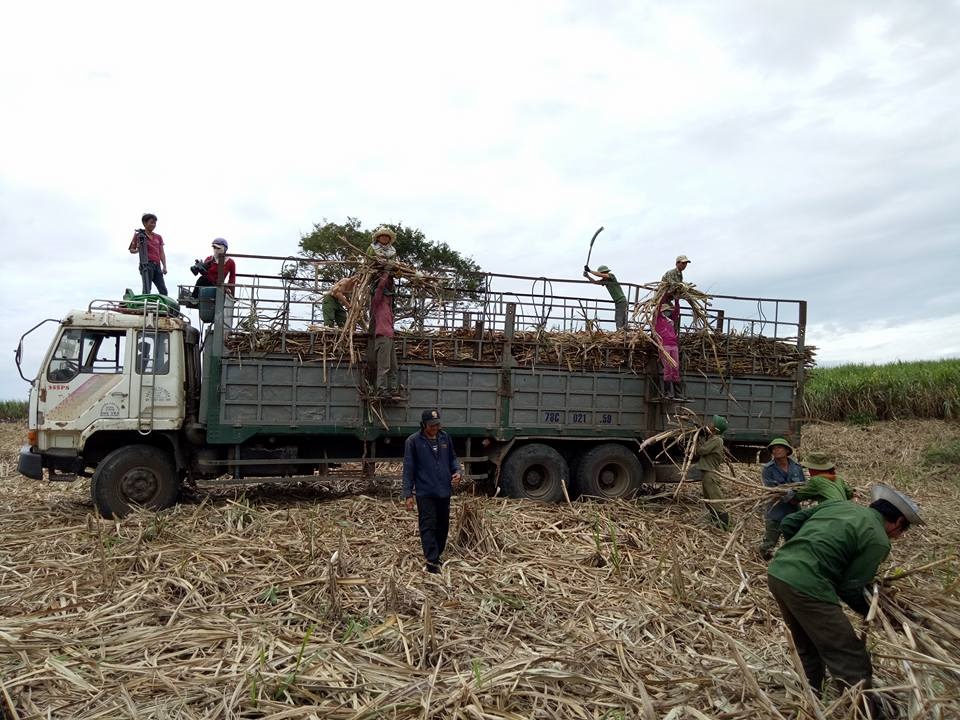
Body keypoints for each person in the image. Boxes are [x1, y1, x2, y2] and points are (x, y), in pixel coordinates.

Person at [767, 485, 922, 714]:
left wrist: (799, 550)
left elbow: (789, 523)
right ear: (898, 521)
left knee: (807, 644)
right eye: (902, 531)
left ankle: (811, 699)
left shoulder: (838, 505)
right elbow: (850, 588)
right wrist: (877, 613)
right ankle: (861, 712)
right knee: (848, 654)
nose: (899, 537)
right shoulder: (878, 539)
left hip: (779, 573)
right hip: (808, 585)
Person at [403, 409, 462, 573]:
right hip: (425, 492)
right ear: (423, 425)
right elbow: (408, 469)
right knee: (428, 525)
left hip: (444, 490)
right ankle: (432, 561)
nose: (435, 428)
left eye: (437, 424)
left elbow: (453, 459)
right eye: (432, 425)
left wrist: (458, 471)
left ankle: (438, 554)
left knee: (443, 526)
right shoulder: (413, 442)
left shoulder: (445, 438)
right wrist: (408, 494)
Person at [759, 437, 806, 559]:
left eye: (779, 448)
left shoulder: (796, 467)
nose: (776, 451)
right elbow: (774, 490)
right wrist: (791, 496)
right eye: (773, 449)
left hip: (794, 511)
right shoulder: (768, 469)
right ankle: (764, 560)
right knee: (769, 543)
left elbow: (803, 485)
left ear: (786, 451)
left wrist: (798, 496)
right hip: (776, 511)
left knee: (795, 541)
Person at [694, 414, 730, 529]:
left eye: (712, 423)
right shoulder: (714, 439)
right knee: (709, 499)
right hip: (707, 473)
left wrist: (699, 439)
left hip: (711, 474)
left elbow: (701, 451)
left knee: (716, 499)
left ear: (716, 428)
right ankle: (715, 521)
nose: (710, 424)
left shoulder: (717, 440)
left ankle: (724, 525)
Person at [370, 269, 400, 399]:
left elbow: (389, 286)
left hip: (390, 337)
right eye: (388, 295)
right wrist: (386, 273)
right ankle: (381, 390)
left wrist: (391, 278)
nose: (389, 297)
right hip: (382, 337)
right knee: (384, 366)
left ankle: (393, 390)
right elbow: (381, 287)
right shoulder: (377, 303)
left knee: (394, 366)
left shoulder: (389, 308)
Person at [128, 213, 168, 296]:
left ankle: (164, 307)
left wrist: (164, 266)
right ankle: (144, 308)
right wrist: (138, 249)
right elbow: (132, 250)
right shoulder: (139, 235)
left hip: (157, 266)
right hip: (146, 265)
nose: (153, 225)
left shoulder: (158, 237)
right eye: (151, 222)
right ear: (144, 223)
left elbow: (161, 252)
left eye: (154, 223)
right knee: (147, 290)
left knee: (163, 290)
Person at [583, 264, 628, 330]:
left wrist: (590, 271)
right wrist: (588, 276)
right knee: (620, 317)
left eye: (602, 273)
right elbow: (595, 282)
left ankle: (620, 331)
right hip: (618, 301)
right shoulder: (605, 281)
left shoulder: (611, 276)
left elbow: (601, 275)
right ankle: (622, 331)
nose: (601, 275)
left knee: (619, 317)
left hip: (621, 300)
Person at [653, 302, 681, 397]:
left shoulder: (671, 320)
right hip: (664, 346)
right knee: (668, 368)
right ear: (662, 312)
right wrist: (665, 294)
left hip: (674, 345)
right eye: (666, 311)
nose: (668, 312)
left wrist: (677, 300)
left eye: (669, 311)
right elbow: (658, 305)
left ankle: (678, 393)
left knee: (676, 368)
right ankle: (668, 392)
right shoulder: (658, 319)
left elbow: (677, 311)